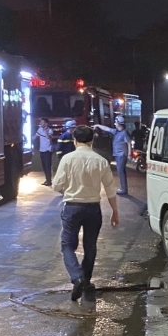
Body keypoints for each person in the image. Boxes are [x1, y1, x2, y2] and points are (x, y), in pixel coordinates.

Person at [51, 124, 120, 301]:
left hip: (72, 207)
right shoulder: (101, 160)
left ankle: (77, 276)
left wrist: (68, 191)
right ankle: (86, 281)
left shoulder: (67, 159)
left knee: (67, 244)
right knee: (90, 246)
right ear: (92, 140)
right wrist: (115, 211)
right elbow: (110, 189)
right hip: (93, 208)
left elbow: (56, 185)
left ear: (74, 140)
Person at [112, 116, 131, 196]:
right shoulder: (116, 132)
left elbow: (129, 143)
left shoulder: (124, 133)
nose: (115, 123)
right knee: (121, 172)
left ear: (119, 124)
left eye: (116, 122)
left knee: (120, 171)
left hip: (122, 155)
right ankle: (123, 188)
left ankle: (123, 189)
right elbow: (107, 129)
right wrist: (98, 126)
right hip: (117, 155)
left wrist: (129, 154)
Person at [35, 118, 54, 186]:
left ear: (46, 123)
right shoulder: (39, 129)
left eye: (42, 122)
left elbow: (48, 137)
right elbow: (35, 137)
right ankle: (47, 179)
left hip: (47, 150)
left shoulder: (50, 130)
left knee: (47, 165)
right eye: (40, 122)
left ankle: (49, 180)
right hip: (41, 150)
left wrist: (45, 130)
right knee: (44, 165)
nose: (40, 123)